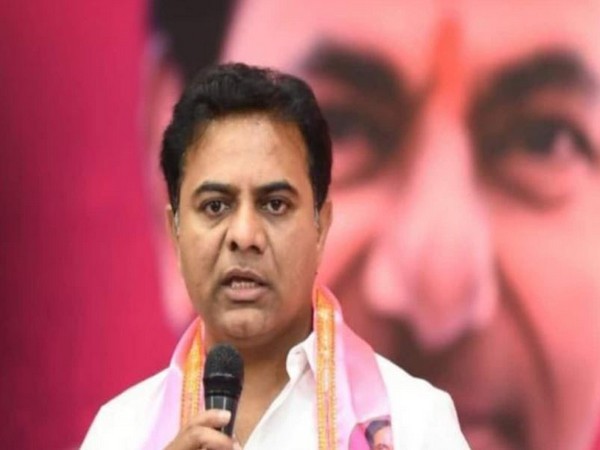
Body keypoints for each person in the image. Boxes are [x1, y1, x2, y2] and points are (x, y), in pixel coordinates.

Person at [144, 2, 600, 450]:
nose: (440, 295)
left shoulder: (427, 419)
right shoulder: (121, 433)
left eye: (544, 139)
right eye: (339, 128)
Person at [82, 63, 468, 449]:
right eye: (215, 206)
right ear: (175, 232)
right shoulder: (120, 432)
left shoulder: (418, 424)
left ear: (321, 227)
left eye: (275, 204)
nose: (244, 236)